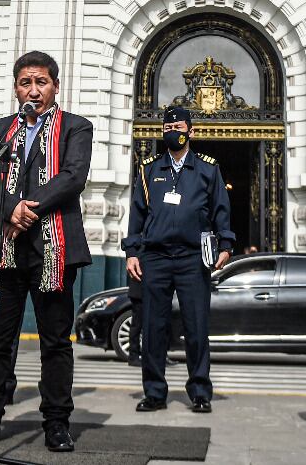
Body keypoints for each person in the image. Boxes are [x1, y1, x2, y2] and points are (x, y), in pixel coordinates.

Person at [0, 51, 93, 453]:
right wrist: (9, 206)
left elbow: (73, 177)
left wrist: (25, 209)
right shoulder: (1, 129)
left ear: (55, 86)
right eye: (25, 83)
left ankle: (56, 423)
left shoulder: (75, 127)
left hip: (54, 247)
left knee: (54, 341)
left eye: (41, 82)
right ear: (16, 87)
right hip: (4, 247)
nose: (34, 90)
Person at [124, 106, 234, 414]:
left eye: (179, 125)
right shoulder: (149, 169)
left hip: (191, 257)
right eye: (168, 125)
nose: (173, 129)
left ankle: (200, 391)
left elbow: (220, 209)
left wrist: (226, 243)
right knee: (153, 328)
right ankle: (155, 393)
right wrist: (132, 251)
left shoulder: (207, 169)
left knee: (196, 327)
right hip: (155, 257)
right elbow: (137, 213)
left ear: (192, 131)